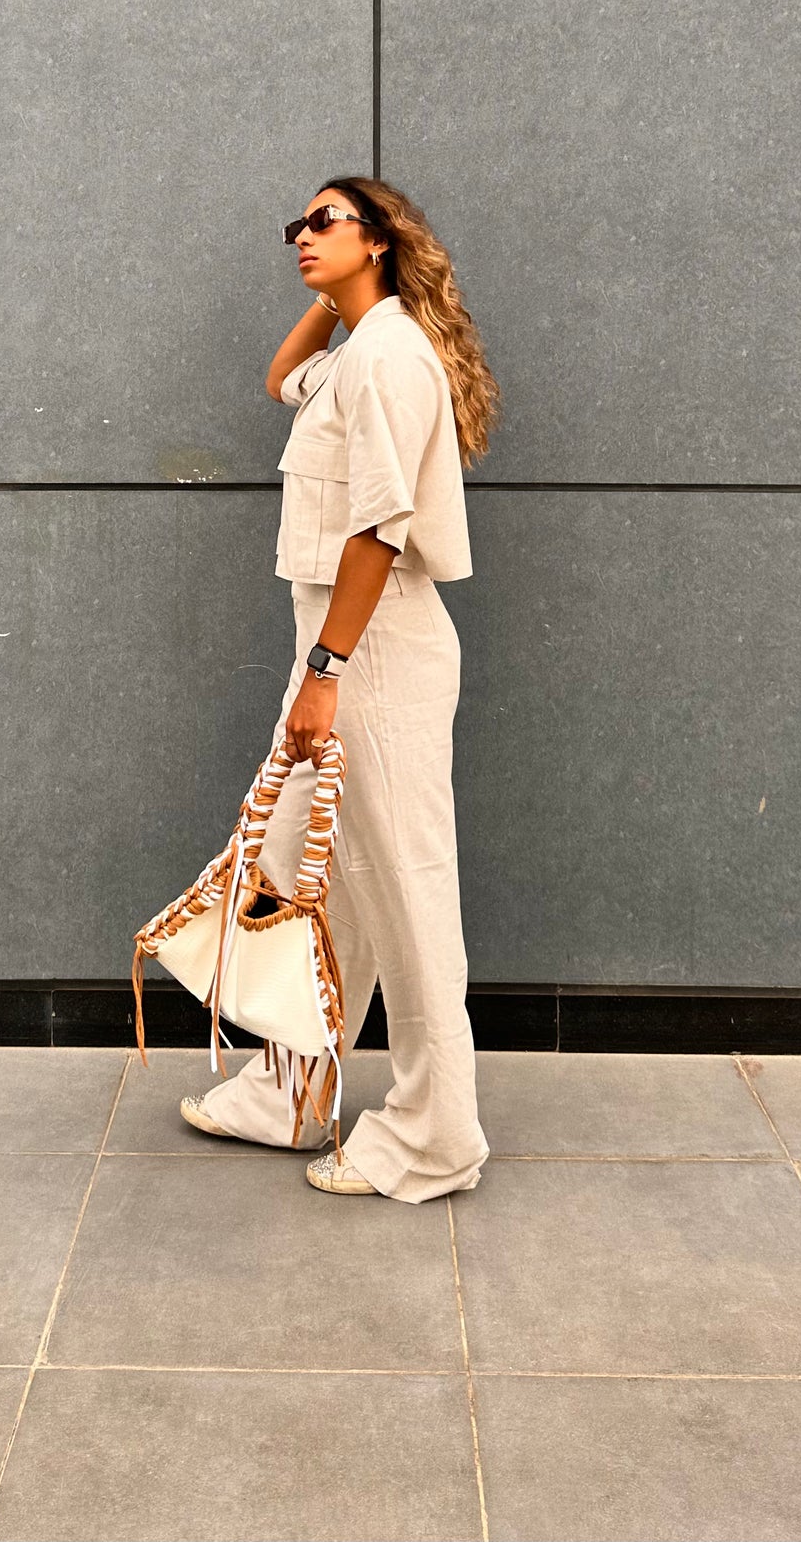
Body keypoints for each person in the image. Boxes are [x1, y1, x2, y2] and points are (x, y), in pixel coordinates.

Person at [180, 176, 501, 1201]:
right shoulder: (351, 354)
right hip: (335, 651)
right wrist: (335, 288)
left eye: (324, 222)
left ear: (380, 238)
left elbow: (378, 530)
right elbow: (277, 375)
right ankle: (293, 1092)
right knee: (307, 872)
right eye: (295, 227)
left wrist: (323, 672)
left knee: (403, 888)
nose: (300, 239)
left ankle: (435, 1134)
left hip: (371, 656)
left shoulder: (392, 358)